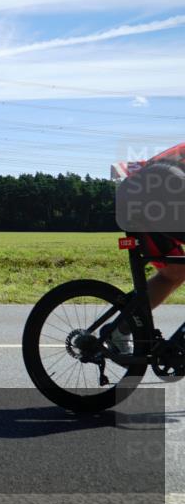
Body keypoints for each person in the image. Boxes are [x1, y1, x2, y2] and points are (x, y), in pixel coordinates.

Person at [108, 142, 185, 352]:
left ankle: (121, 329)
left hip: (139, 197)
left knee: (175, 272)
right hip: (154, 198)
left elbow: (129, 167)